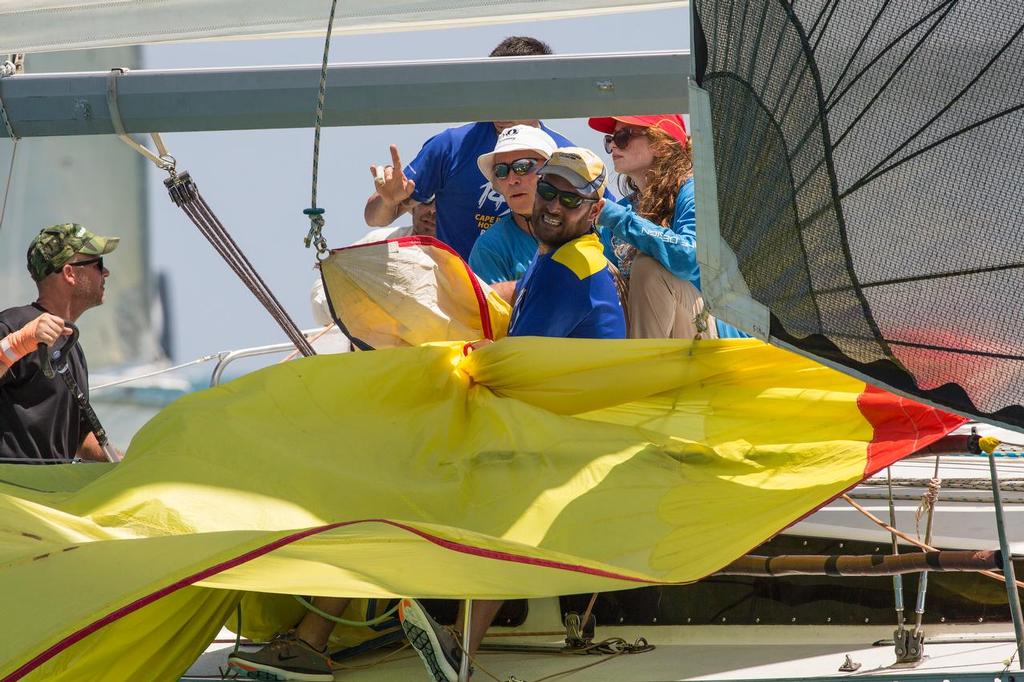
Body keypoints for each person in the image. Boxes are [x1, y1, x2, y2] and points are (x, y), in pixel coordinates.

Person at [397, 148, 626, 682]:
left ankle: (457, 649)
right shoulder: (561, 255)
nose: (552, 205)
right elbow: (516, 295)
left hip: (572, 433)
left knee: (461, 478)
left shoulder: (575, 268)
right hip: (554, 417)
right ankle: (451, 638)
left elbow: (513, 360)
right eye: (548, 190)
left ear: (594, 210)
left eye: (570, 199)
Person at [364, 36, 577, 261]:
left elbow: (601, 216)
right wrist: (389, 201)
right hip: (459, 293)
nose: (500, 110)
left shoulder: (564, 155)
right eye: (493, 94)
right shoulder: (452, 146)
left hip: (534, 291)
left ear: (542, 94)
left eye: (512, 95)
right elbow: (374, 218)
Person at [588, 114, 746, 339]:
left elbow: (691, 259)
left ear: (661, 145)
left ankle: (642, 368)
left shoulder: (694, 192)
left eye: (623, 137)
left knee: (647, 267)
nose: (613, 145)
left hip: (717, 340)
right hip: (669, 332)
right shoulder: (623, 210)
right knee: (593, 266)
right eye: (610, 139)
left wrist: (621, 221)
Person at [0, 223, 119, 463]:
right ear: (69, 273)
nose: (106, 273)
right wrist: (23, 341)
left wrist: (129, 462)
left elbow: (79, 438)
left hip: (50, 495)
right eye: (98, 265)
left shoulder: (72, 346)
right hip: (11, 494)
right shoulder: (14, 324)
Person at [468, 124, 557, 300]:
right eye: (501, 171)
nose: (511, 179)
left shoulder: (593, 222)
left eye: (523, 166)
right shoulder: (489, 248)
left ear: (553, 170)